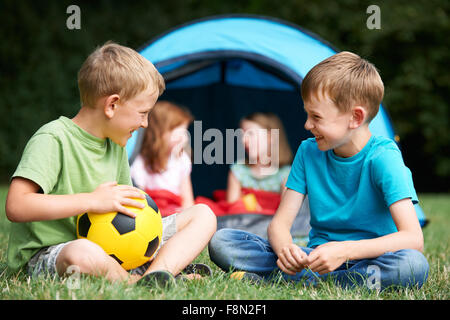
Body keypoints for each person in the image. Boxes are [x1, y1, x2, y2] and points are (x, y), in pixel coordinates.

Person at [208, 51, 429, 290]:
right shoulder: (308, 152)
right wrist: (286, 251)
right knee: (223, 241)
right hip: (313, 259)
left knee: (413, 265)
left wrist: (344, 251)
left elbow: (413, 238)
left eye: (316, 117)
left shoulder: (383, 158)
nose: (307, 124)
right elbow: (279, 225)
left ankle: (301, 281)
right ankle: (309, 278)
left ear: (355, 117)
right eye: (307, 114)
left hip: (372, 260)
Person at [5, 41, 216, 287]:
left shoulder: (116, 145)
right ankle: (133, 281)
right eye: (143, 113)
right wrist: (92, 200)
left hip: (108, 246)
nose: (146, 124)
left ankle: (156, 275)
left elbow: (127, 213)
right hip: (53, 253)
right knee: (81, 252)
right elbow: (16, 206)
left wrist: (151, 233)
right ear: (112, 105)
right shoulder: (54, 139)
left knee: (204, 214)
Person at [130, 101, 195, 216]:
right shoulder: (141, 162)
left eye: (184, 131)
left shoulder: (181, 160)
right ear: (158, 132)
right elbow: (140, 200)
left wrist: (187, 215)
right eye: (177, 130)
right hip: (154, 213)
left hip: (177, 213)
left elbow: (188, 200)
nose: (182, 136)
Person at [226, 112, 293, 211]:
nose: (244, 140)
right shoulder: (238, 170)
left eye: (250, 133)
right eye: (242, 135)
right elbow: (232, 209)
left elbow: (287, 212)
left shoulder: (285, 174)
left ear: (270, 137)